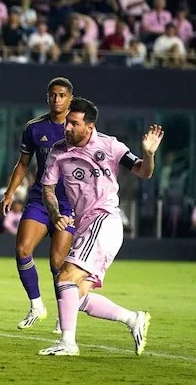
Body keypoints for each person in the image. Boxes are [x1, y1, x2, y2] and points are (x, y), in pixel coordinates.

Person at [38, 97, 161, 356]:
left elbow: (143, 171)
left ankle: (68, 344)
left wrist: (149, 155)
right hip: (85, 226)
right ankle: (133, 319)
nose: (67, 128)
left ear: (90, 126)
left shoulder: (110, 146)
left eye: (74, 123)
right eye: (67, 123)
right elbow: (47, 190)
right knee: (75, 296)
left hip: (104, 220)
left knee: (65, 276)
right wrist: (56, 213)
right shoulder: (58, 152)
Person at [1, 77, 75, 332]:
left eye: (62, 95)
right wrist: (10, 192)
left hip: (69, 204)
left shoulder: (78, 127)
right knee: (22, 249)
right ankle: (36, 306)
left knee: (57, 263)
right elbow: (23, 164)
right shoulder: (34, 128)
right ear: (47, 97)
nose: (57, 99)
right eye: (53, 95)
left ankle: (63, 315)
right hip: (40, 199)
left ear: (70, 99)